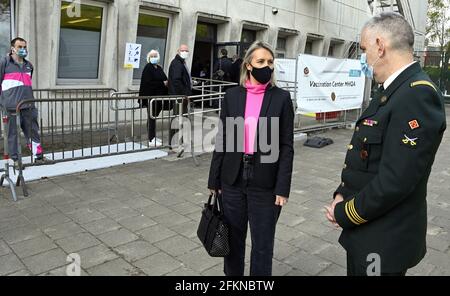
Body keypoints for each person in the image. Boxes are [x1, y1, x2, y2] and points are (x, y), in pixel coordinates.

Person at [325, 12, 446, 276]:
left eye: (365, 49)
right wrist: (341, 193)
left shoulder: (416, 95)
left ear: (380, 46)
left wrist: (344, 212)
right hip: (368, 232)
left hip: (383, 240)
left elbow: (395, 181)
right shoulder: (391, 92)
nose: (365, 58)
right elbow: (365, 158)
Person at [208, 41, 294, 276]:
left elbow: (286, 146)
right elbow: (223, 138)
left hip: (265, 184)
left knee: (263, 246)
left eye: (270, 62)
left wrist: (282, 187)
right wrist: (213, 181)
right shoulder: (232, 96)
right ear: (248, 65)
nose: (267, 66)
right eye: (260, 62)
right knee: (232, 244)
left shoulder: (281, 98)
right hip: (232, 181)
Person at [0, 37, 51, 168]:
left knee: (33, 132)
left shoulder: (29, 65)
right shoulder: (4, 63)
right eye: (20, 47)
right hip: (11, 108)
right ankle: (16, 160)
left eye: (24, 47)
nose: (23, 49)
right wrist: (3, 104)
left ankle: (38, 156)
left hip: (28, 106)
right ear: (12, 49)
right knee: (12, 134)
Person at [138, 49, 168, 147]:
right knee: (151, 118)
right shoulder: (148, 68)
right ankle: (151, 139)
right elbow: (148, 83)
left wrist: (166, 82)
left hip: (159, 98)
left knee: (153, 118)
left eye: (155, 56)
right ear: (148, 58)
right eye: (152, 56)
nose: (154, 58)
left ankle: (153, 137)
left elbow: (164, 78)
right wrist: (162, 83)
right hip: (151, 98)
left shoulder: (159, 68)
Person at [167, 44, 192, 150]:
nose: (185, 52)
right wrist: (184, 94)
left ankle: (179, 141)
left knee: (180, 119)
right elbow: (176, 80)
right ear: (178, 51)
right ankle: (174, 143)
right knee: (177, 119)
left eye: (186, 50)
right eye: (183, 50)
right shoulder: (177, 63)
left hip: (180, 96)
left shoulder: (180, 62)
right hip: (179, 96)